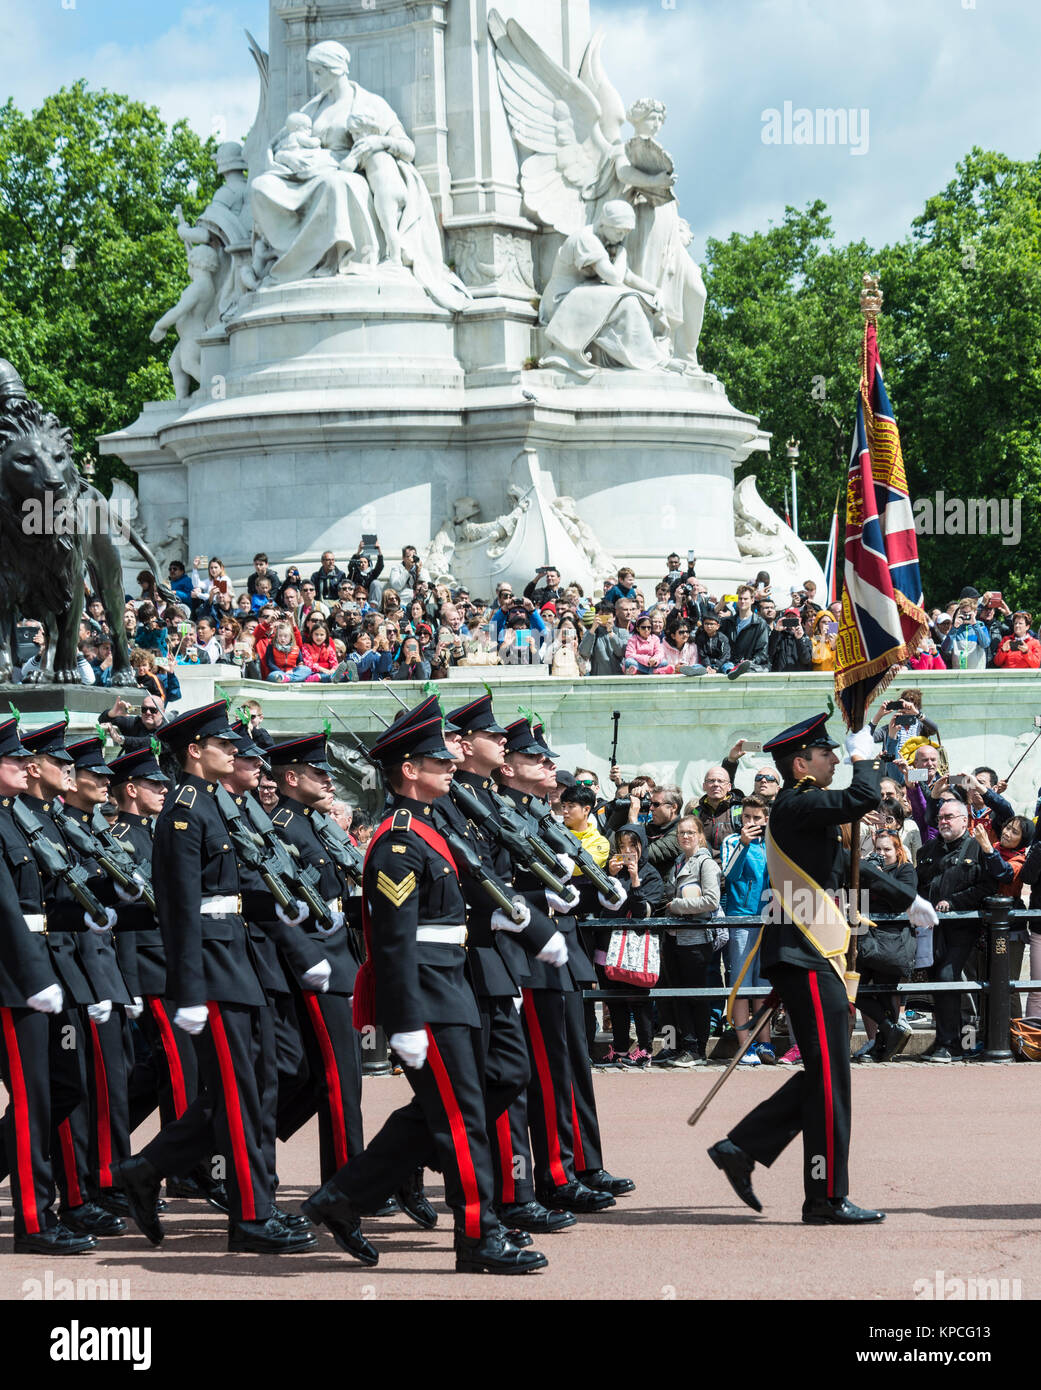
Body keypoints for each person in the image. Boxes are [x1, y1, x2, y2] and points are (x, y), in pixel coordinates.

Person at [300, 703, 547, 1274]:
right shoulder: (398, 839)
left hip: (450, 986)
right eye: (438, 759)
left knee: (454, 1108)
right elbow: (391, 940)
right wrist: (405, 1020)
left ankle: (342, 1197)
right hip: (428, 996)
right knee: (460, 1117)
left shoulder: (428, 829)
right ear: (409, 770)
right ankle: (478, 1235)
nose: (449, 764)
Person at [708, 712, 922, 1223]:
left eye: (835, 752)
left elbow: (840, 869)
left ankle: (744, 1147)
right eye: (826, 753)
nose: (834, 759)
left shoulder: (804, 811)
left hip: (809, 954)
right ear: (800, 762)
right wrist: (864, 756)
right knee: (831, 1077)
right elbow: (862, 799)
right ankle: (824, 1197)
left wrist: (908, 894)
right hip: (804, 954)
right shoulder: (798, 801)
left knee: (830, 1073)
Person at [115, 702, 312, 1254]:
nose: (234, 753)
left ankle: (149, 1168)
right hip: (212, 970)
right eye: (223, 746)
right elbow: (179, 907)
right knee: (240, 1093)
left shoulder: (213, 805)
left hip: (237, 961)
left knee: (264, 1082)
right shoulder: (183, 810)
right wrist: (189, 988)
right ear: (195, 751)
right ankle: (251, 1215)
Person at [915, 795, 994, 1062]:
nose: (944, 822)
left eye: (949, 817)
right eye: (940, 818)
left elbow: (986, 886)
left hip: (963, 929)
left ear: (964, 820)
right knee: (936, 980)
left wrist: (955, 902)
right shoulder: (927, 851)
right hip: (931, 930)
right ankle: (943, 1040)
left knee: (948, 976)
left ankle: (954, 1044)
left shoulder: (976, 848)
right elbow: (919, 886)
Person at [719, 795, 773, 1066]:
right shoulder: (732, 841)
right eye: (746, 817)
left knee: (763, 984)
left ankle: (765, 1042)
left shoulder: (772, 844)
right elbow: (728, 874)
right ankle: (744, 1045)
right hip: (741, 918)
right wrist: (743, 843)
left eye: (756, 818)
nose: (750, 822)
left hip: (768, 919)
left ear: (765, 820)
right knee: (741, 983)